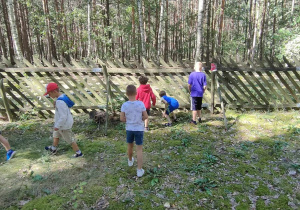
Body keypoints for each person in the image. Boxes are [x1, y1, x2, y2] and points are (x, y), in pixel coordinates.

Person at [44, 83, 83, 158]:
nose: (49, 95)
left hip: (63, 125)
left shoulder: (60, 102)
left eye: (49, 93)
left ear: (54, 91)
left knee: (70, 140)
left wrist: (57, 125)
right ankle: (53, 148)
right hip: (60, 123)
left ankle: (79, 153)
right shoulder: (62, 97)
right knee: (56, 135)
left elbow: (63, 116)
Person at [120, 85, 148, 177]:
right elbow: (146, 116)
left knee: (130, 146)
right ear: (136, 93)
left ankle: (130, 160)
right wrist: (140, 119)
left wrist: (128, 120)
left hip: (129, 128)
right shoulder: (140, 104)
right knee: (139, 149)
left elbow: (121, 118)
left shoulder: (124, 105)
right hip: (139, 129)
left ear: (127, 94)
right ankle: (139, 170)